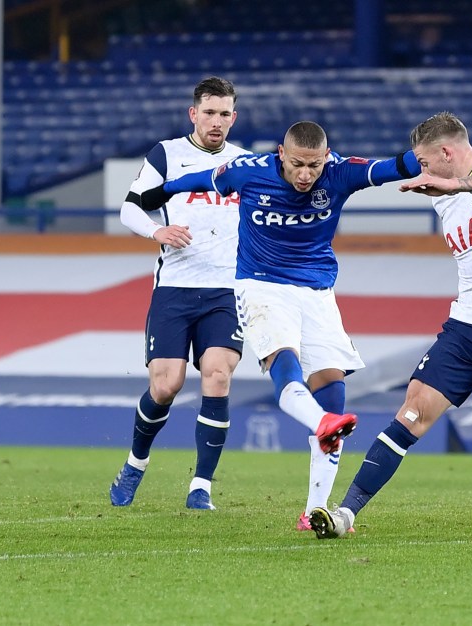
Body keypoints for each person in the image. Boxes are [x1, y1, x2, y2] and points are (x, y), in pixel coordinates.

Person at [149, 120, 422, 529]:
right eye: (298, 164)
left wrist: (433, 157)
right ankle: (320, 425)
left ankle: (313, 509)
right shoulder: (248, 170)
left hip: (317, 294)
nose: (306, 174)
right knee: (287, 365)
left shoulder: (339, 173)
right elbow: (200, 179)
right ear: (282, 153)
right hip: (262, 287)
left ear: (325, 158)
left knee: (333, 393)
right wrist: (161, 190)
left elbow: (392, 167)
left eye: (314, 165)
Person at [309, 111, 472, 538]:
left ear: (446, 152)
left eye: (425, 162)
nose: (422, 171)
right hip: (468, 327)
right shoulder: (439, 195)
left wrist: (454, 183)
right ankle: (345, 513)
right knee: (412, 413)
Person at [109, 76, 249, 510]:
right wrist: (158, 230)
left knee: (218, 375)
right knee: (167, 385)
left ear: (234, 117)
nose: (216, 121)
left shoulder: (245, 163)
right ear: (193, 114)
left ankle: (201, 486)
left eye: (225, 114)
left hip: (226, 290)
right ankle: (136, 462)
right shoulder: (167, 154)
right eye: (209, 112)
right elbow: (130, 206)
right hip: (174, 288)